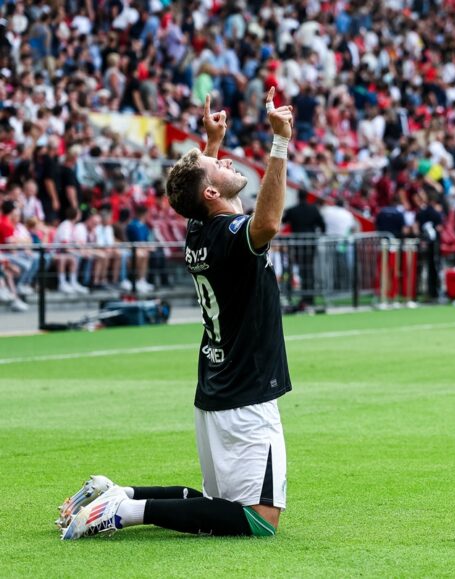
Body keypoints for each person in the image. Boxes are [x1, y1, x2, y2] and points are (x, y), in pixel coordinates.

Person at [58, 89, 295, 540]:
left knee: (218, 509)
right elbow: (265, 224)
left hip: (216, 389)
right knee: (258, 519)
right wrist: (279, 142)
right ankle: (123, 511)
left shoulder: (200, 230)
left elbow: (203, 196)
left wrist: (210, 147)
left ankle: (116, 491)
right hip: (246, 392)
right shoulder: (227, 232)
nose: (227, 163)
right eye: (219, 166)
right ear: (210, 191)